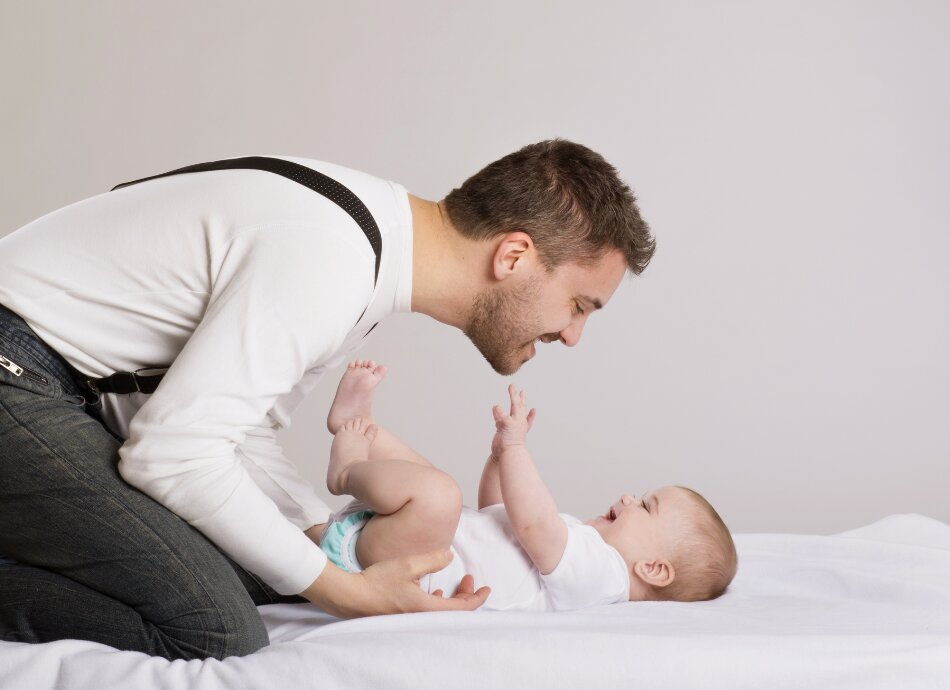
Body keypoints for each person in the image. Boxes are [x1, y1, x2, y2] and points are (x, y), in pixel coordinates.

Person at [0, 139, 655, 658]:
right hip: (17, 371)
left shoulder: (361, 256)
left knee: (269, 565)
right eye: (578, 305)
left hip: (54, 388)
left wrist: (320, 540)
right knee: (216, 631)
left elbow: (239, 432)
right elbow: (172, 456)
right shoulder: (330, 259)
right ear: (513, 254)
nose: (573, 335)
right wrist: (349, 593)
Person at [321, 361, 737, 608]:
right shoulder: (584, 545)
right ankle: (361, 427)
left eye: (646, 506)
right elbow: (496, 513)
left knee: (441, 493)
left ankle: (346, 472)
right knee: (436, 484)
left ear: (653, 569)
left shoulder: (604, 576)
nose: (630, 497)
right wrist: (499, 458)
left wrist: (517, 447)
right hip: (404, 542)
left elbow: (533, 525)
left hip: (399, 568)